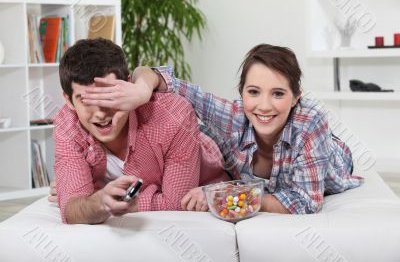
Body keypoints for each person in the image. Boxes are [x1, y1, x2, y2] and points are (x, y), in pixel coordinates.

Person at [80, 44, 364, 214]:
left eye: (278, 94)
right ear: (242, 93)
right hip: (244, 168)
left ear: (296, 97)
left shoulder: (310, 121)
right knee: (201, 136)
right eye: (254, 92)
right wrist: (142, 90)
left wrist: (224, 194)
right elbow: (161, 76)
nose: (264, 106)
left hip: (332, 160)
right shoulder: (235, 115)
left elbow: (304, 203)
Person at [53, 38, 227, 224]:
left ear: (129, 85)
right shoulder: (66, 125)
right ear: (69, 101)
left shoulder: (174, 115)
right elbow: (71, 210)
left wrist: (120, 201)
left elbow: (178, 203)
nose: (100, 113)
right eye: (86, 101)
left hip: (209, 157)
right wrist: (98, 202)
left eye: (110, 96)